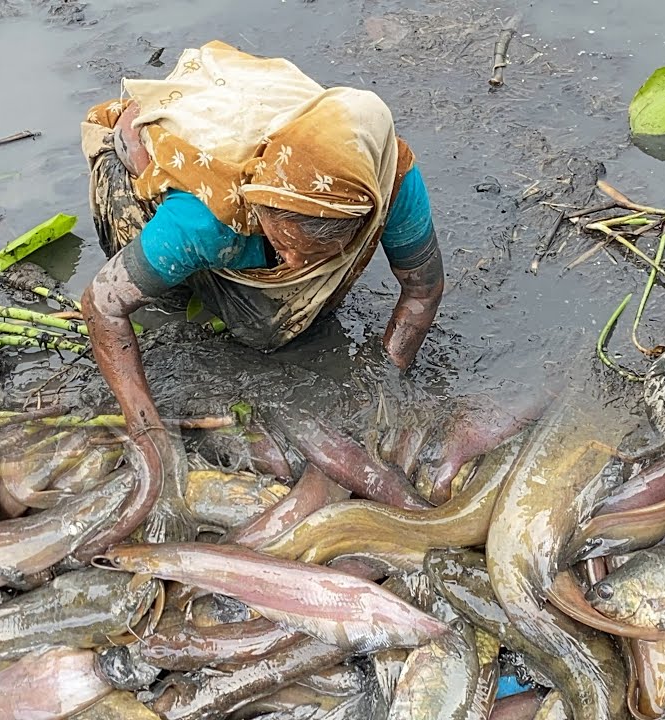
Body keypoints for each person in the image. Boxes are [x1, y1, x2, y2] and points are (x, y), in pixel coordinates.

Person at [78, 41, 444, 538]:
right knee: (163, 297)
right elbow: (100, 306)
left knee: (279, 321)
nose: (295, 262)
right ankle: (170, 260)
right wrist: (147, 432)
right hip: (145, 160)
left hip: (270, 135)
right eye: (282, 240)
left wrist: (382, 381)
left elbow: (422, 289)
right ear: (259, 211)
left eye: (316, 251)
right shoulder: (206, 218)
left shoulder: (388, 177)